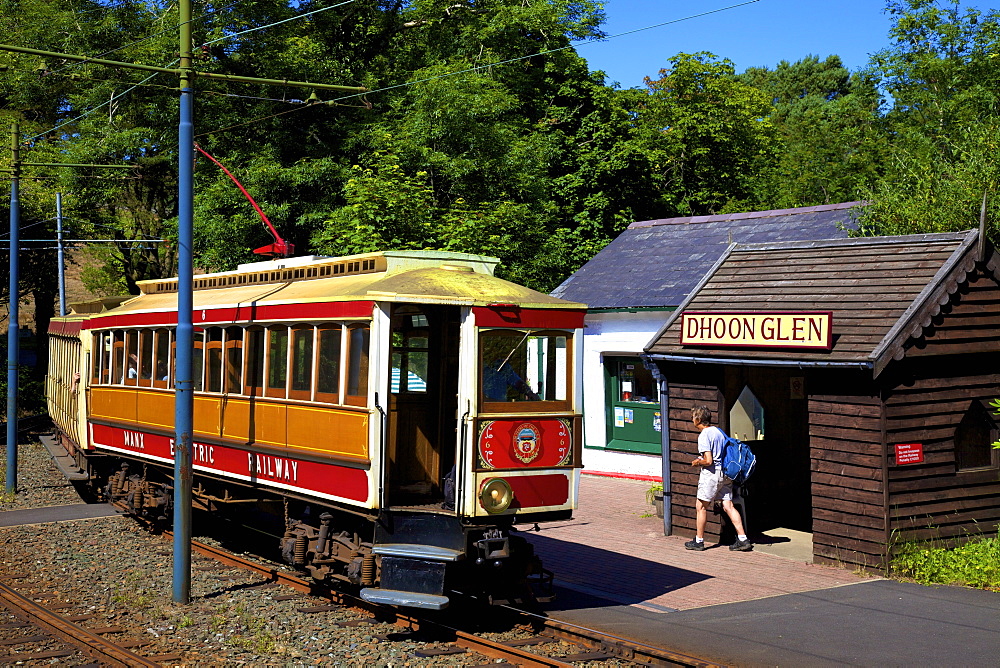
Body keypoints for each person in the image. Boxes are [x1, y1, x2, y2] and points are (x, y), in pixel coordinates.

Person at [685, 405, 752, 552]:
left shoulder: (704, 435)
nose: (692, 420)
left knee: (701, 507)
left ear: (698, 419)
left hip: (711, 475)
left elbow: (708, 460)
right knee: (728, 506)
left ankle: (699, 541)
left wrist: (697, 462)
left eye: (693, 417)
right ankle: (743, 539)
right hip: (726, 473)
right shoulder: (718, 431)